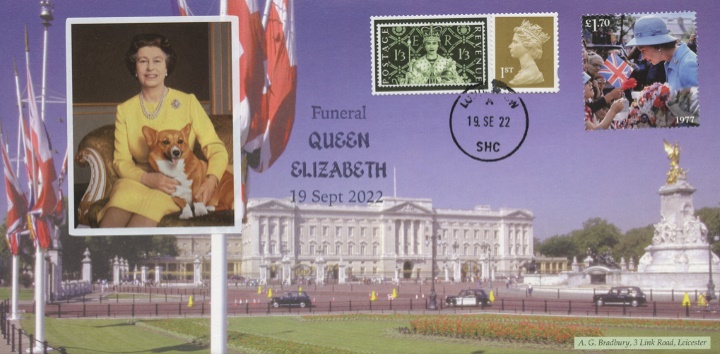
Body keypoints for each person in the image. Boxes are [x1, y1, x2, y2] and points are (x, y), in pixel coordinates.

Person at [98, 33, 229, 228]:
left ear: (166, 67)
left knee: (139, 225)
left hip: (175, 184)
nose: (150, 68)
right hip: (136, 180)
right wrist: (147, 178)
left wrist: (211, 181)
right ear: (135, 68)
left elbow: (216, 148)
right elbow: (121, 162)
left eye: (157, 61)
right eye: (143, 61)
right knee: (111, 222)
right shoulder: (125, 110)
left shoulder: (188, 102)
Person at [626, 15, 698, 91]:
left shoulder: (688, 64)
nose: (643, 57)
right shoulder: (670, 62)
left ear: (658, 45)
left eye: (643, 51)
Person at [507, 20, 551, 86]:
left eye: (515, 42)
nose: (509, 46)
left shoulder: (527, 76)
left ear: (528, 47)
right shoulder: (526, 72)